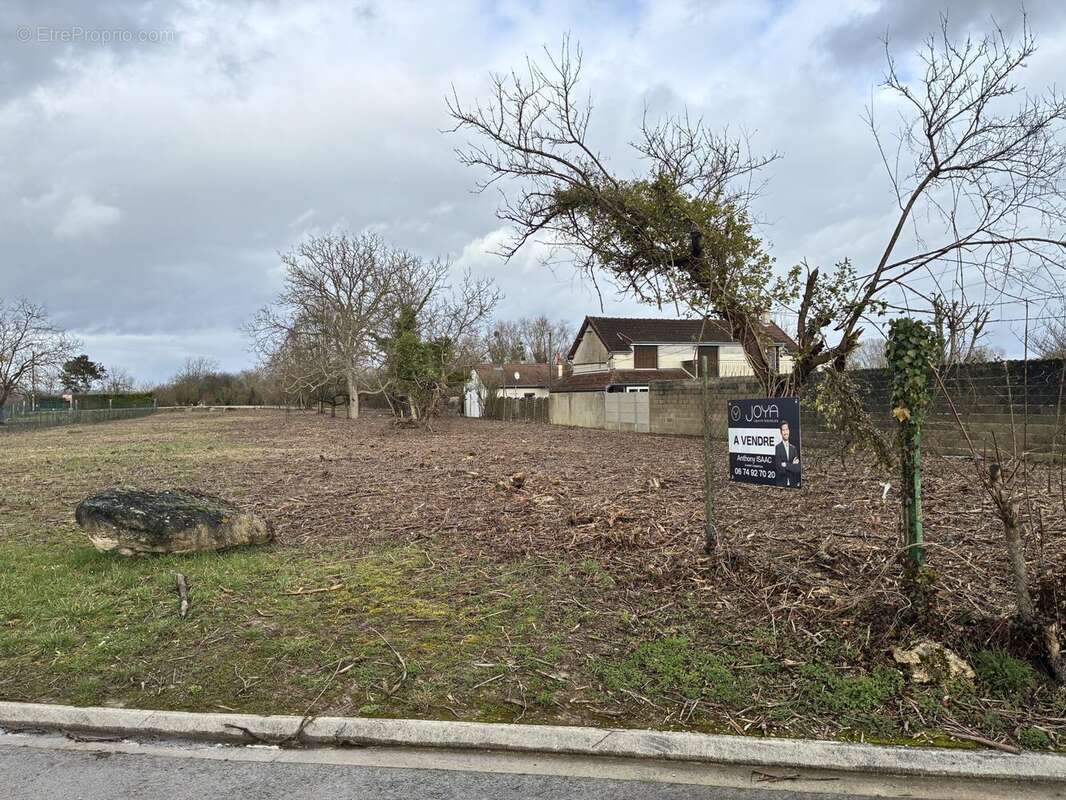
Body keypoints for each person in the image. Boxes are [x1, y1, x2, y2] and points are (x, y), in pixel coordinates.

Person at [775, 420, 800, 488]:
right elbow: (780, 469)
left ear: (789, 430)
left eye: (786, 429)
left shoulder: (793, 448)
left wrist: (785, 464)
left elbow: (797, 468)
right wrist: (792, 466)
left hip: (793, 484)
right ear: (781, 432)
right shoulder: (777, 448)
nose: (785, 432)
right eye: (783, 430)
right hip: (782, 484)